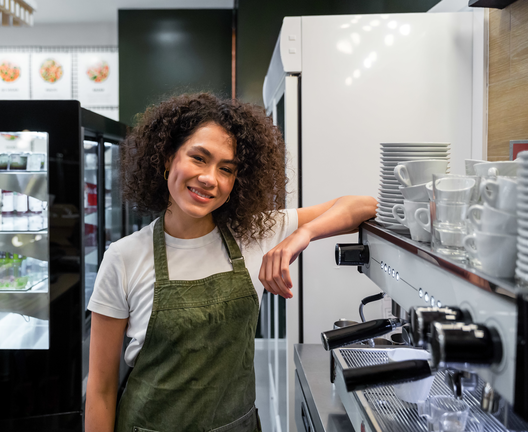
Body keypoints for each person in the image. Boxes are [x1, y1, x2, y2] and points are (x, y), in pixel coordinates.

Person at [85, 93, 377, 432]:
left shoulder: (254, 233)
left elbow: (363, 206)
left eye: (227, 169)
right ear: (167, 158)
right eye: (199, 158)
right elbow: (101, 389)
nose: (211, 178)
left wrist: (302, 235)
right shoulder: (123, 258)